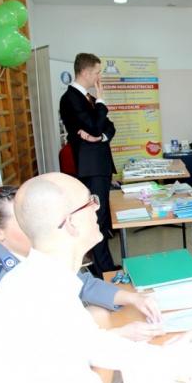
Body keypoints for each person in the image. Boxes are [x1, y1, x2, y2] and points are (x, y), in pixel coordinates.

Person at [0, 173, 192, 383]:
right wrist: (167, 371)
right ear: (70, 223)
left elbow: (89, 341)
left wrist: (163, 357)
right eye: (90, 202)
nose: (97, 208)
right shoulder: (43, 302)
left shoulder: (35, 279)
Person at [0, 185, 164, 342]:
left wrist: (133, 298)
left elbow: (82, 283)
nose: (34, 227)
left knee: (99, 313)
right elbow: (28, 343)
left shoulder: (40, 248)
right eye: (22, 222)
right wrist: (116, 335)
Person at [59, 52, 117, 278]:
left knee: (102, 219)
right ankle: (104, 270)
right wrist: (101, 102)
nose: (98, 77)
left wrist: (100, 137)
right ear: (84, 72)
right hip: (89, 168)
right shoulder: (71, 98)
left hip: (99, 165)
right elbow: (94, 125)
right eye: (96, 72)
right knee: (96, 219)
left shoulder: (87, 98)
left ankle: (104, 266)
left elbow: (108, 127)